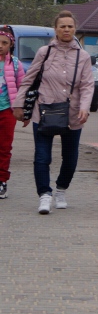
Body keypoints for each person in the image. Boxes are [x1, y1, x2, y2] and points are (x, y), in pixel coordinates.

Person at [17, 10, 93, 215]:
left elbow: (87, 85)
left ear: (74, 29)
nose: (66, 29)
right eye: (62, 26)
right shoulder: (45, 52)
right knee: (42, 156)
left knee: (70, 157)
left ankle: (61, 190)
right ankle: (44, 194)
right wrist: (19, 104)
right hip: (43, 110)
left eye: (70, 26)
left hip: (72, 114)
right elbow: (29, 79)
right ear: (56, 29)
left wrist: (85, 106)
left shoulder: (83, 56)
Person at [0, 25, 26, 200]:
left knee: (4, 147)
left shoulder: (16, 64)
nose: (0, 45)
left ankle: (2, 180)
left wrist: (23, 110)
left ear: (11, 45)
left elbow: (22, 87)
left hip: (7, 111)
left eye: (4, 43)